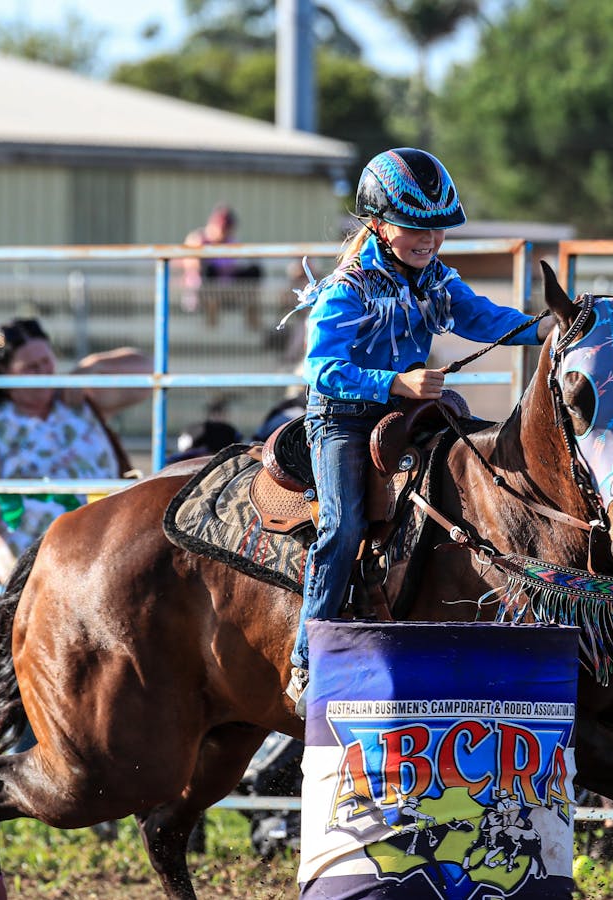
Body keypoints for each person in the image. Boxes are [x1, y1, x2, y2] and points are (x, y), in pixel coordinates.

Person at [286, 147, 552, 709]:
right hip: (342, 421)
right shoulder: (347, 288)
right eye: (414, 228)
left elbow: (485, 318)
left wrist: (549, 327)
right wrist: (396, 383)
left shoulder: (437, 279)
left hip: (409, 414)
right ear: (379, 226)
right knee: (342, 522)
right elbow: (320, 370)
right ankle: (307, 657)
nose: (429, 239)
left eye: (438, 229)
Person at [0, 318, 149, 689]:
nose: (43, 374)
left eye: (47, 363)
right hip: (32, 579)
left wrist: (81, 374)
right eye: (30, 368)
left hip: (108, 565)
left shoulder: (78, 401)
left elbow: (147, 371)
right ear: (5, 373)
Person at [180, 203, 259, 322]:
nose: (224, 232)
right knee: (208, 273)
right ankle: (212, 323)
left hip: (227, 288)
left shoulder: (231, 242)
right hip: (203, 290)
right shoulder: (197, 238)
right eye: (222, 228)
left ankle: (252, 321)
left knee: (254, 271)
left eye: (227, 228)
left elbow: (232, 267)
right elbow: (192, 267)